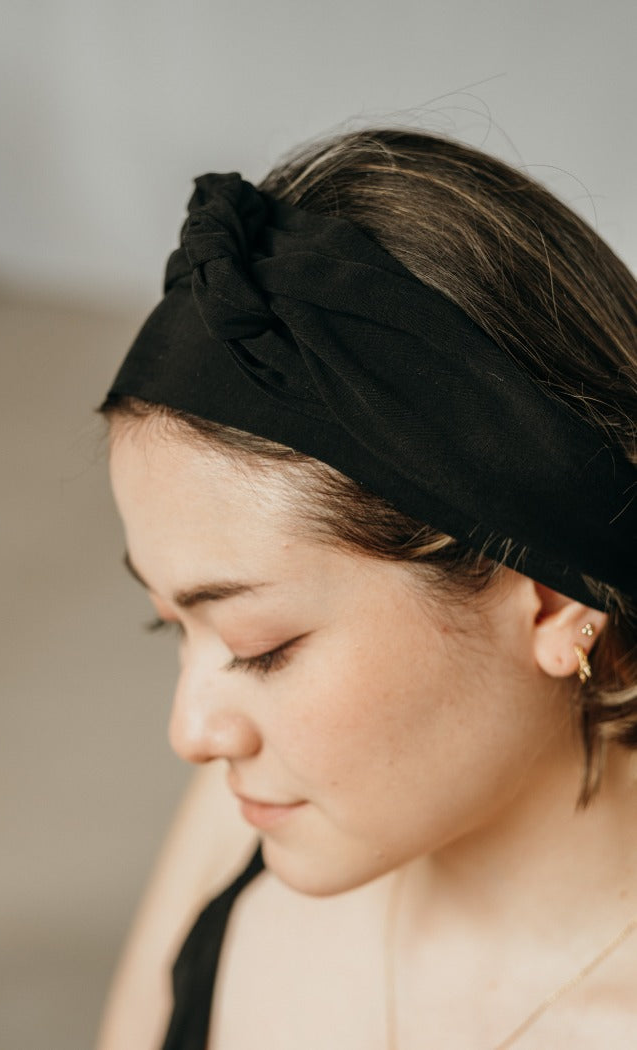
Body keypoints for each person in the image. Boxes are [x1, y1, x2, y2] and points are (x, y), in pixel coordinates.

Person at [95, 128, 637, 1050]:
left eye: (262, 647)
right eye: (170, 628)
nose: (193, 734)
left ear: (551, 597)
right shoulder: (248, 822)